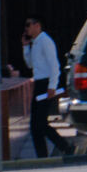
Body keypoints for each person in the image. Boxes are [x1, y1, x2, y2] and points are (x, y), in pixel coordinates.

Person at [11, 14, 75, 158]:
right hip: (39, 83)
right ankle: (43, 155)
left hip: (46, 84)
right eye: (25, 26)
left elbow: (55, 65)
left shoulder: (45, 41)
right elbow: (30, 64)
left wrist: (52, 86)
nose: (26, 28)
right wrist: (25, 47)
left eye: (29, 25)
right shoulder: (35, 42)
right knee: (35, 125)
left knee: (40, 123)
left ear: (37, 25)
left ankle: (65, 147)